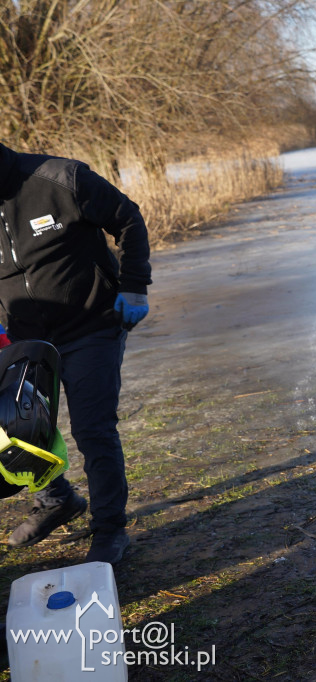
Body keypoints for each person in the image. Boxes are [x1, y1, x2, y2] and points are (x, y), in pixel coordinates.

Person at [0, 141, 152, 564]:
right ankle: (58, 500)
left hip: (91, 324)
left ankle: (109, 530)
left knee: (93, 430)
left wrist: (135, 285)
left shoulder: (60, 179)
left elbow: (128, 219)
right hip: (23, 338)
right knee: (17, 432)